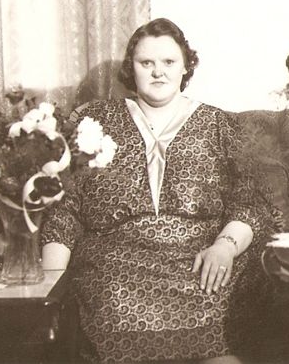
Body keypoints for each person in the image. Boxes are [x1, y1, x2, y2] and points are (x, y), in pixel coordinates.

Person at [41, 18, 273, 364]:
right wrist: (50, 291)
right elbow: (66, 208)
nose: (158, 72)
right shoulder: (95, 121)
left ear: (185, 66)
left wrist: (225, 247)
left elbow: (249, 202)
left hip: (201, 261)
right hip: (117, 268)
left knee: (223, 328)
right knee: (112, 303)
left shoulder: (219, 124)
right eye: (146, 62)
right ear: (131, 68)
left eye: (168, 61)